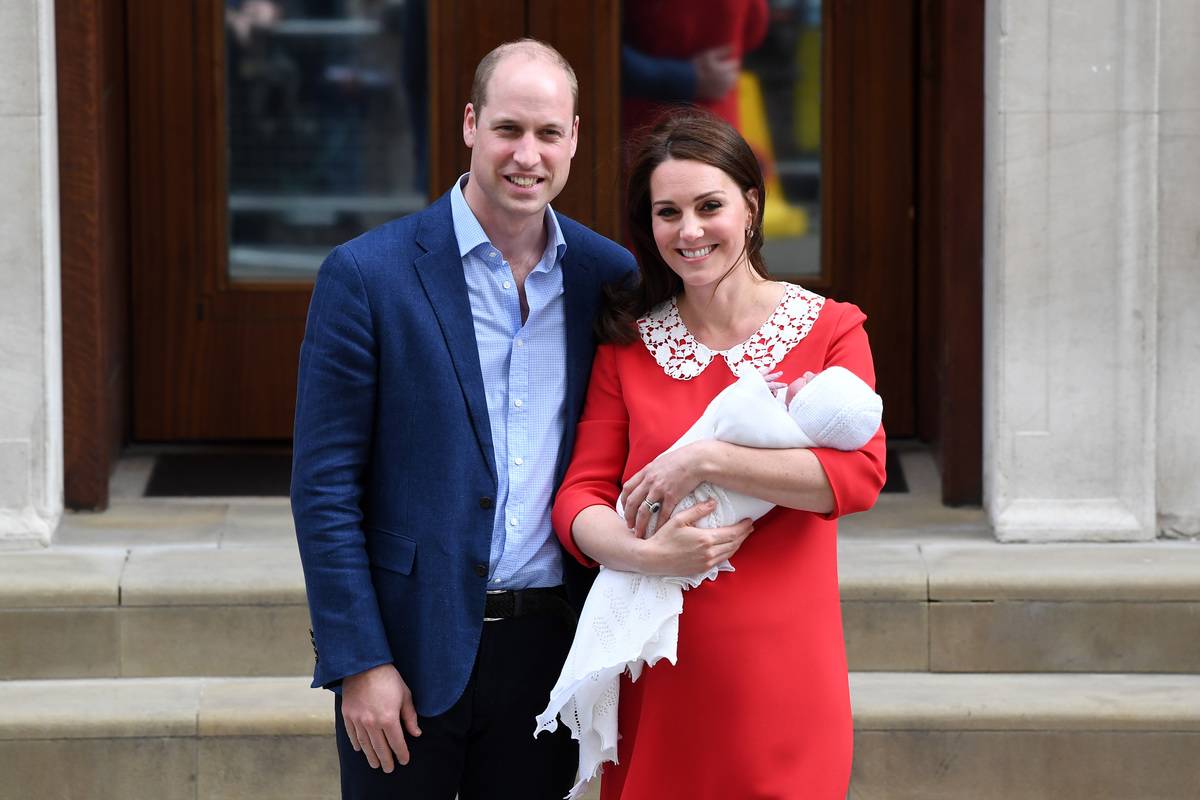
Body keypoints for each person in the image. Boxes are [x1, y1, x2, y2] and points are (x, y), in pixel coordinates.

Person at [290, 39, 636, 800]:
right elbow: (324, 488)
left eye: (549, 133)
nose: (527, 155)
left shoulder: (607, 277)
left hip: (552, 649)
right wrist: (359, 660)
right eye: (509, 129)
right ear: (471, 124)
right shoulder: (367, 274)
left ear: (575, 138)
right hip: (406, 652)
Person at [550, 110, 887, 799]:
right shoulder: (628, 346)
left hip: (786, 678)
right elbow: (579, 498)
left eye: (709, 206)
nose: (690, 230)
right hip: (659, 679)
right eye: (668, 213)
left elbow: (859, 476)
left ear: (751, 207)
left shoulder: (831, 329)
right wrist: (646, 554)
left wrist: (707, 460)